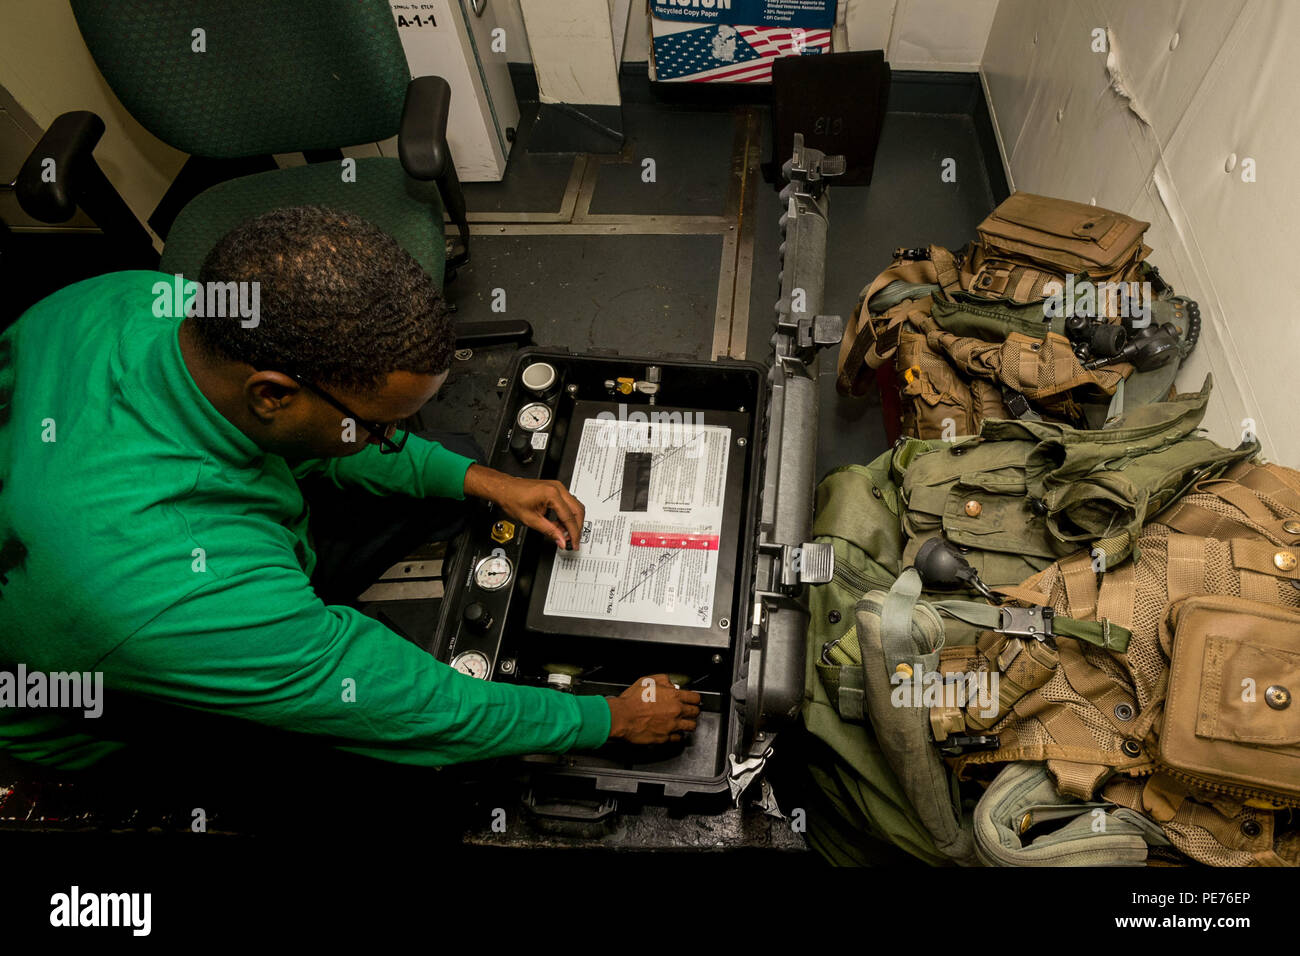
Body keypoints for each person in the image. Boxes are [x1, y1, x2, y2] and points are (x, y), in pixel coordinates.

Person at [0, 205, 699, 776]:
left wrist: (489, 483)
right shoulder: (164, 590)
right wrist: (604, 718)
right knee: (404, 760)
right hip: (114, 703)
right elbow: (402, 706)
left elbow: (325, 445)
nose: (389, 437)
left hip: (177, 533)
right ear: (272, 395)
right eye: (375, 426)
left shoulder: (143, 300)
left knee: (450, 464)